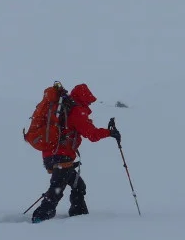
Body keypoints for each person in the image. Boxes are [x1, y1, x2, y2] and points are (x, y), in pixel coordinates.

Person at [32, 83, 120, 223]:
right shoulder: (76, 111)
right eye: (89, 100)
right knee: (57, 189)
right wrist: (110, 132)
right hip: (62, 156)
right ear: (83, 97)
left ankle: (78, 214)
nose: (90, 104)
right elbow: (92, 134)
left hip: (51, 154)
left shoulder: (66, 108)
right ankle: (40, 218)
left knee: (78, 185)